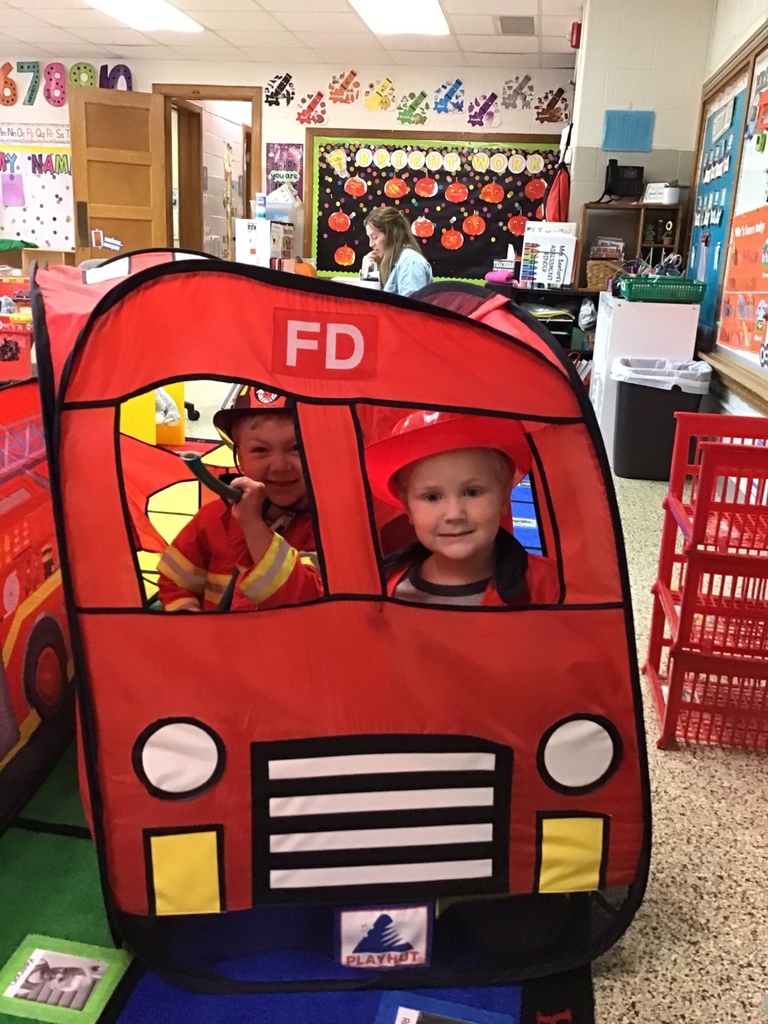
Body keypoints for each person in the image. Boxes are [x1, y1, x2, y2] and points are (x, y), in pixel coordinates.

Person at [364, 410, 560, 606]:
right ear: (408, 508)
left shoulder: (550, 587)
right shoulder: (381, 591)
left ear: (504, 498)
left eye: (472, 492)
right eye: (432, 497)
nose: (454, 514)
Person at [157, 388, 318, 612]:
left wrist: (252, 525)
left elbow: (302, 598)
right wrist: (193, 631)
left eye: (296, 448)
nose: (280, 466)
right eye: (260, 450)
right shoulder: (213, 519)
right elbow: (175, 582)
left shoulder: (331, 530)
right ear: (239, 457)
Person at [364, 207, 433, 297]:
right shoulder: (391, 262)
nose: (370, 244)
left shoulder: (411, 263)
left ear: (391, 235)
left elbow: (409, 308)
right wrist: (368, 273)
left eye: (374, 237)